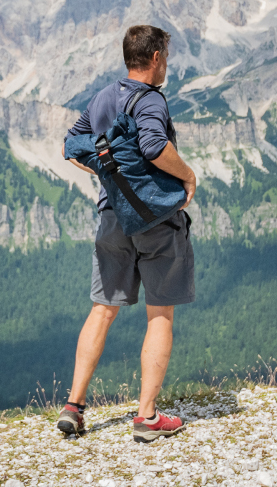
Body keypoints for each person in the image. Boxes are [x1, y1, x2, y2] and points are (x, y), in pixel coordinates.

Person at [59, 24, 199, 441]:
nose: (166, 66)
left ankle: (74, 407)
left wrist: (107, 177)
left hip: (112, 218)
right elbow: (155, 146)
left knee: (102, 309)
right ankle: (147, 417)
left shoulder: (103, 95)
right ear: (155, 58)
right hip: (156, 221)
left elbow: (71, 143)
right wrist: (189, 177)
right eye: (166, 59)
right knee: (160, 313)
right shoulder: (151, 99)